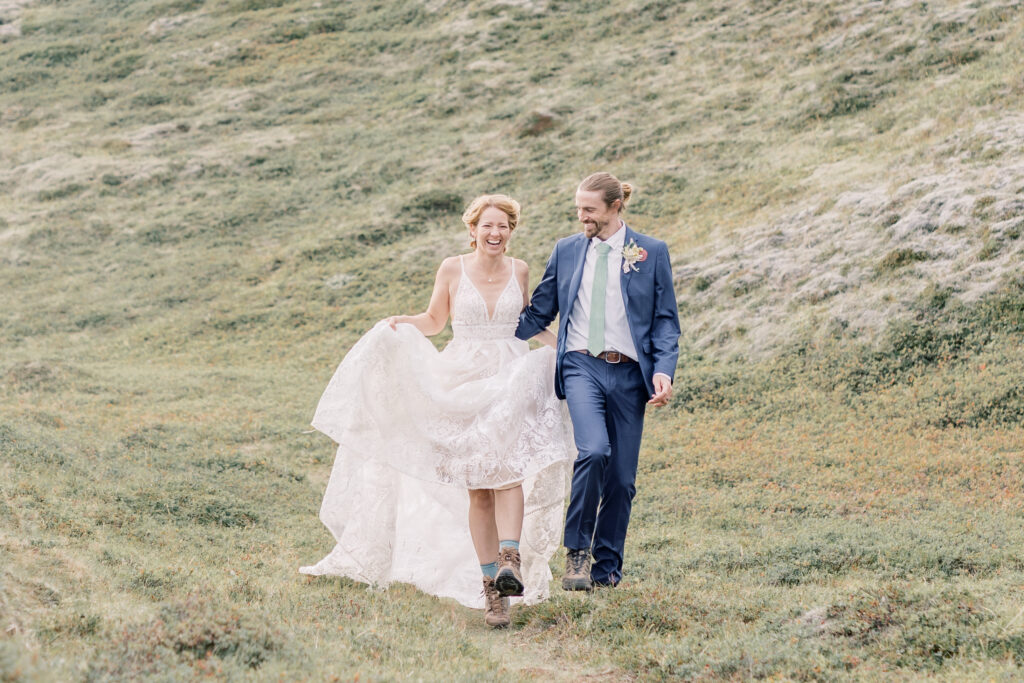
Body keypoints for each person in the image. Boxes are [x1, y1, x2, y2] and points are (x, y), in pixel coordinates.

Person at [300, 194, 573, 628]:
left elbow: (527, 322)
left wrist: (564, 346)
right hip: (461, 379)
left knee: (510, 473)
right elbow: (433, 320)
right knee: (479, 488)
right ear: (473, 229)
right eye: (487, 225)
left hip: (509, 379)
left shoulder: (519, 269)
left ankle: (510, 560)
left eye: (503, 226)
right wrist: (399, 325)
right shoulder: (451, 268)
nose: (495, 233)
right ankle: (493, 594)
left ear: (511, 231)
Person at [515, 172, 681, 590]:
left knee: (622, 481)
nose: (581, 216)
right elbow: (541, 310)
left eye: (589, 209)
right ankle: (576, 554)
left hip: (629, 374)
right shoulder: (567, 250)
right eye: (578, 208)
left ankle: (606, 573)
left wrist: (663, 369)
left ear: (614, 207)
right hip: (580, 366)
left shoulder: (651, 252)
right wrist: (494, 324)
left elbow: (665, 321)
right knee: (593, 451)